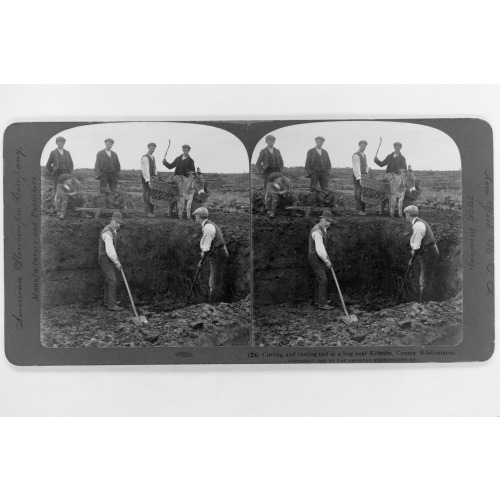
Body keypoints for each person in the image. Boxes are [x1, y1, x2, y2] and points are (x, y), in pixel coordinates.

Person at [403, 205, 439, 302]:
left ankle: (423, 304)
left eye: (405, 214)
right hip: (429, 250)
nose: (405, 215)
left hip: (429, 252)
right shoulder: (419, 222)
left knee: (424, 280)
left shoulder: (418, 226)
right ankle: (425, 301)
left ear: (407, 214)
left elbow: (416, 246)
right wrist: (413, 258)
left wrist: (412, 260)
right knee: (426, 278)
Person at [193, 207, 229, 304]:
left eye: (195, 216)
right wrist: (202, 260)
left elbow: (206, 248)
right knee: (214, 280)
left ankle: (213, 304)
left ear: (197, 216)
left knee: (214, 282)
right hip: (217, 252)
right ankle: (214, 302)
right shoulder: (208, 225)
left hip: (218, 254)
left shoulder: (208, 228)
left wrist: (202, 260)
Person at [308, 210, 335, 310]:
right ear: (322, 219)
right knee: (323, 280)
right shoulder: (318, 231)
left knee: (319, 279)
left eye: (330, 221)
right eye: (327, 221)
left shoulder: (323, 229)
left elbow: (322, 247)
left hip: (318, 256)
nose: (328, 223)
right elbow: (319, 249)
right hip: (315, 257)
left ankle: (319, 299)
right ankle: (322, 304)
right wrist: (327, 261)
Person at [98, 212, 124, 311]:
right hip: (105, 258)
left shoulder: (113, 230)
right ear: (111, 220)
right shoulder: (107, 233)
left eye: (120, 223)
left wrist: (115, 259)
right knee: (113, 281)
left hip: (108, 258)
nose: (118, 225)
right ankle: (112, 305)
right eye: (117, 222)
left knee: (108, 280)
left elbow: (112, 249)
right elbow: (109, 250)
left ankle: (108, 301)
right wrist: (116, 262)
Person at [374, 141, 408, 215]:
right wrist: (376, 160)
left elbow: (404, 169)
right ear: (394, 147)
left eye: (398, 147)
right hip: (388, 176)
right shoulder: (390, 156)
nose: (397, 149)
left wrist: (401, 173)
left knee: (394, 193)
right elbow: (382, 164)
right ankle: (381, 210)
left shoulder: (402, 158)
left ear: (400, 148)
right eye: (395, 147)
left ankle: (391, 210)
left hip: (396, 177)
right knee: (383, 191)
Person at [352, 140, 369, 216]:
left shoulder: (364, 155)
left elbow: (366, 165)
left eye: (365, 146)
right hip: (357, 176)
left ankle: (363, 210)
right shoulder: (356, 155)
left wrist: (366, 173)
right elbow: (356, 168)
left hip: (364, 176)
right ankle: (358, 210)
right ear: (359, 146)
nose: (364, 147)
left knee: (364, 193)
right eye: (362, 145)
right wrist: (359, 178)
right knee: (358, 193)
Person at [141, 142, 157, 217]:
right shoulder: (145, 158)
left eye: (154, 148)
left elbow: (155, 168)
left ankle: (152, 212)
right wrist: (148, 180)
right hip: (146, 179)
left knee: (153, 195)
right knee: (147, 195)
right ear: (148, 148)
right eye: (151, 148)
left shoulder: (153, 157)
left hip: (153, 178)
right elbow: (146, 170)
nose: (152, 149)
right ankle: (148, 212)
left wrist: (155, 177)